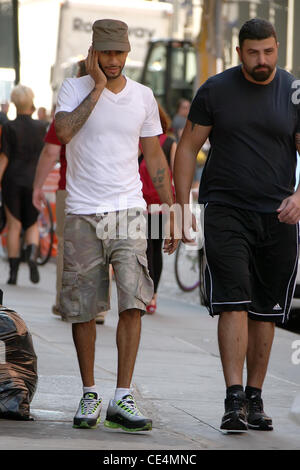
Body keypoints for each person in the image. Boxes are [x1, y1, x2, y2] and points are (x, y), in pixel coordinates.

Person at [174, 18, 300, 433]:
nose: (261, 60)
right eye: (253, 53)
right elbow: (188, 147)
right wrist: (181, 206)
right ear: (239, 52)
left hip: (278, 214)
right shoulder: (216, 90)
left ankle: (255, 398)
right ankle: (233, 399)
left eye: (268, 52)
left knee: (266, 310)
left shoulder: (294, 93)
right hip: (225, 209)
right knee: (233, 300)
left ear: (277, 48)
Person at [54, 19, 177, 431]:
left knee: (133, 299)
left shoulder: (143, 96)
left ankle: (122, 396)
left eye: (118, 53)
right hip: (83, 212)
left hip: (128, 210)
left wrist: (173, 209)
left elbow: (155, 158)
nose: (112, 60)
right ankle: (90, 393)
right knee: (83, 308)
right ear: (93, 52)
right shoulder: (74, 88)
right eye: (104, 53)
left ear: (127, 53)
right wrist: (97, 88)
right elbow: (65, 132)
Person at [33, 61, 110, 326]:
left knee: (69, 246)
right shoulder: (113, 104)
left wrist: (37, 186)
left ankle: (66, 303)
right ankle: (98, 307)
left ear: (78, 76)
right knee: (103, 245)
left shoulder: (68, 106)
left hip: (72, 186)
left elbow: (51, 150)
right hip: (109, 189)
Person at [0, 85, 46, 285]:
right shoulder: (41, 127)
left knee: (14, 225)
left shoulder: (10, 127)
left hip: (12, 179)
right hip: (33, 179)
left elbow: (4, 157)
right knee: (32, 223)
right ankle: (32, 256)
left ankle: (13, 273)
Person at [139, 103, 176, 314]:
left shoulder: (170, 143)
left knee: (153, 249)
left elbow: (175, 171)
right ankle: (148, 294)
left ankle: (152, 295)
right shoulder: (139, 142)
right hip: (142, 205)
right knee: (146, 249)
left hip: (160, 206)